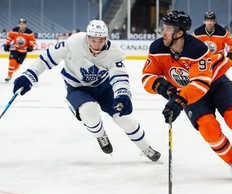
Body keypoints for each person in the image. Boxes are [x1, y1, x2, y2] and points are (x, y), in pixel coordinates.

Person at [142, 10, 232, 178]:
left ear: (180, 32)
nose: (163, 32)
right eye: (164, 27)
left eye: (168, 28)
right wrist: (161, 86)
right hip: (188, 92)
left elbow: (201, 84)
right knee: (208, 128)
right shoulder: (156, 48)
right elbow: (147, 76)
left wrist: (179, 99)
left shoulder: (198, 48)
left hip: (215, 83)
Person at [12, 20, 161, 162]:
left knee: (124, 118)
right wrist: (29, 75)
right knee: (89, 112)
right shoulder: (72, 44)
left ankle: (146, 148)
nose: (97, 44)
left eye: (101, 40)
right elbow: (45, 59)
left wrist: (123, 95)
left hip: (104, 88)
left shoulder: (114, 52)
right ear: (87, 37)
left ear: (106, 38)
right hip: (77, 87)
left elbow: (119, 77)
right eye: (94, 40)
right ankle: (101, 135)